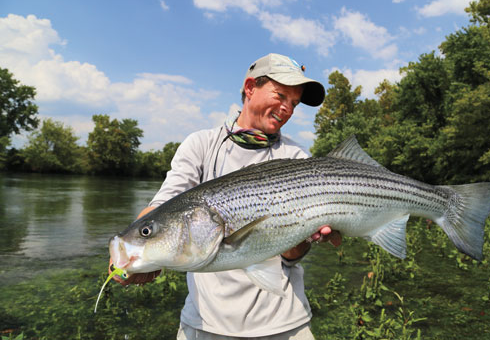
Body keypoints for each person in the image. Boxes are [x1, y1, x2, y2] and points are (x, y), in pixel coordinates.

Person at [112, 53, 341, 339]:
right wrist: (137, 248)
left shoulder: (296, 158)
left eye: (294, 103)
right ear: (249, 88)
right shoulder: (201, 144)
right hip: (204, 326)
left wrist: (303, 237)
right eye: (281, 95)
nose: (287, 109)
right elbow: (161, 206)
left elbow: (291, 256)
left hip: (285, 325)